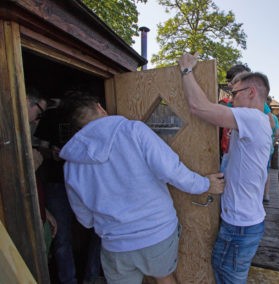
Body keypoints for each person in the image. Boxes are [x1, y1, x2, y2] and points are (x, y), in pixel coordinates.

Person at [58, 92, 224, 284]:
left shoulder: (71, 165)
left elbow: (85, 218)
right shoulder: (133, 131)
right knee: (165, 278)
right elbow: (172, 170)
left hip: (115, 244)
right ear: (99, 107)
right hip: (156, 232)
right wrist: (205, 184)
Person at [179, 53, 272, 283]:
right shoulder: (257, 122)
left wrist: (186, 70)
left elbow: (198, 107)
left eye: (234, 94)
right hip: (244, 223)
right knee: (227, 274)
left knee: (227, 277)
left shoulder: (252, 118)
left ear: (251, 93)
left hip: (240, 226)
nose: (231, 99)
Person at [35, 97, 102, 284]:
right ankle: (68, 280)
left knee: (102, 230)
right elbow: (38, 145)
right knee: (61, 237)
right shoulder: (50, 117)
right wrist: (51, 152)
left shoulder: (94, 121)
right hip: (58, 184)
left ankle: (92, 277)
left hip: (92, 184)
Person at [26, 87, 57, 254]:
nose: (37, 121)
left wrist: (44, 211)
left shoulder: (22, 133)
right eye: (39, 113)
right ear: (26, 101)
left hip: (39, 214)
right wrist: (31, 168)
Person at [263, 95, 279, 203]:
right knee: (266, 171)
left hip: (262, 148)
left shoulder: (259, 113)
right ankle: (266, 194)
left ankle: (262, 194)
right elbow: (277, 134)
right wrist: (272, 144)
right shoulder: (274, 117)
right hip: (268, 148)